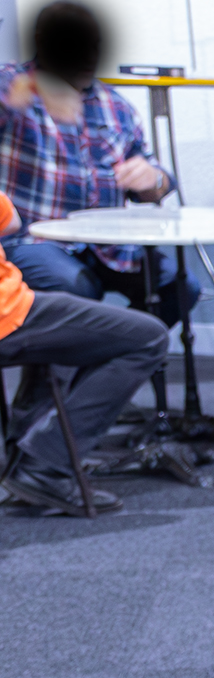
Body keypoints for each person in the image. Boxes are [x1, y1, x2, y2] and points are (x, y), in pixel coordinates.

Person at [0, 0, 193, 327]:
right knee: (73, 286)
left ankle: (114, 357)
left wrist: (153, 179)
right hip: (34, 240)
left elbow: (157, 182)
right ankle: (56, 372)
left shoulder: (116, 106)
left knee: (181, 286)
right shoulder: (12, 85)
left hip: (108, 246)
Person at [0, 192, 169, 515]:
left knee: (60, 309)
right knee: (148, 338)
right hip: (8, 316)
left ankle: (29, 450)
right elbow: (11, 221)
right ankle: (44, 464)